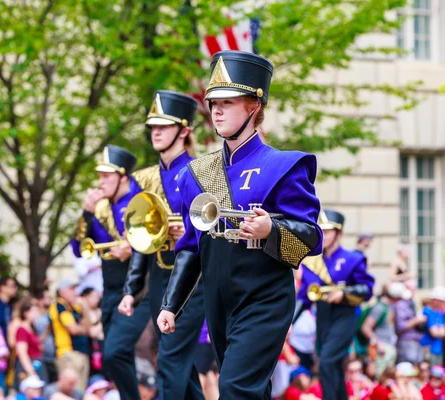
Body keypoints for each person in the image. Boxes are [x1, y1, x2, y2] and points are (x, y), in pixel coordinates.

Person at [156, 50, 323, 398]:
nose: (216, 110)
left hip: (264, 297)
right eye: (212, 102)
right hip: (218, 300)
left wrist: (271, 231)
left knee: (234, 389)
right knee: (248, 391)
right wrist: (171, 304)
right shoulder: (196, 174)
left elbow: (311, 239)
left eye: (228, 102)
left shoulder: (285, 166)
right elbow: (190, 246)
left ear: (254, 107)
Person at [118, 89, 204, 400]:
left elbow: (214, 227)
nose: (155, 132)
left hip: (193, 282)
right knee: (182, 367)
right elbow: (138, 236)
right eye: (153, 126)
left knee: (169, 360)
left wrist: (190, 229)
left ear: (184, 131)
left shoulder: (202, 172)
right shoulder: (142, 178)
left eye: (163, 126)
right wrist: (131, 289)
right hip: (158, 280)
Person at [71, 144, 151, 399]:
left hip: (139, 292)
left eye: (107, 176)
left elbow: (156, 245)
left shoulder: (141, 202)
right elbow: (78, 248)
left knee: (115, 352)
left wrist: (134, 249)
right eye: (100, 176)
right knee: (115, 358)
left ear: (123, 177)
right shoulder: (99, 208)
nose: (101, 181)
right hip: (110, 291)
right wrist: (86, 212)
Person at [296, 209, 375, 400]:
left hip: (344, 317)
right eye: (320, 230)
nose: (323, 235)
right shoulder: (313, 263)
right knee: (334, 366)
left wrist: (345, 292)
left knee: (326, 362)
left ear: (339, 234)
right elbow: (303, 297)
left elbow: (367, 289)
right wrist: (289, 323)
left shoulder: (352, 259)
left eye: (328, 231)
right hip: (323, 318)